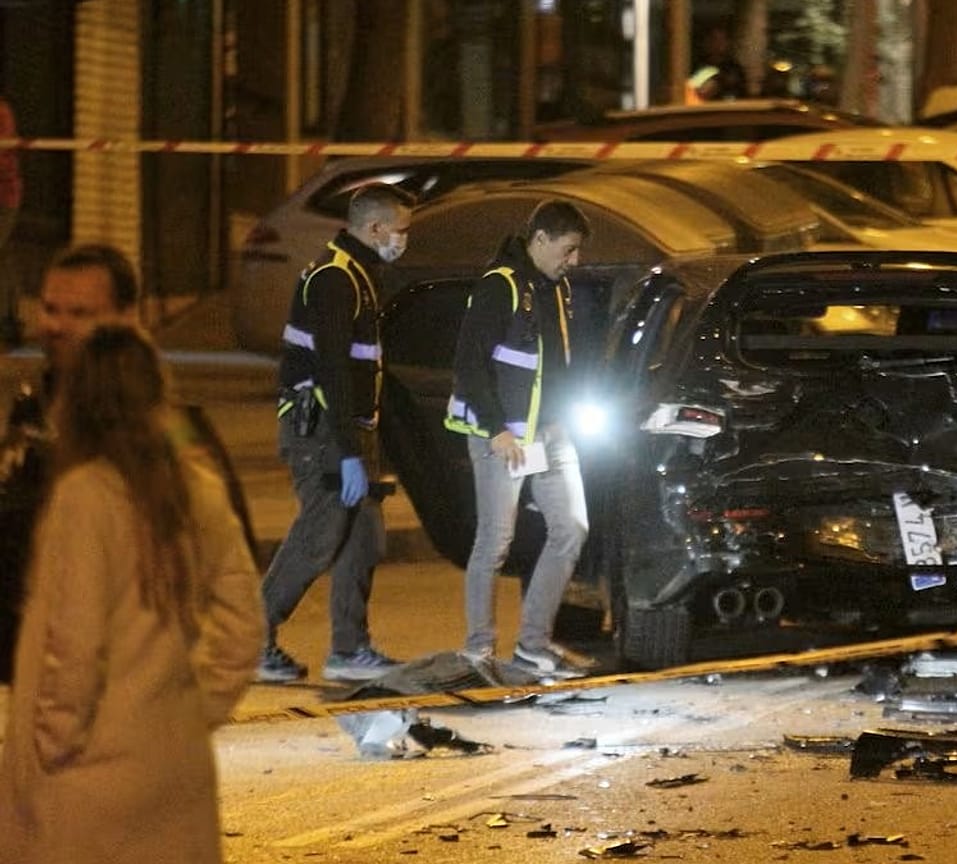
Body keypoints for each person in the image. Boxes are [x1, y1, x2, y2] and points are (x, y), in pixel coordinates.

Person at [0, 323, 264, 863]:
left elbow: (74, 643)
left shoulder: (84, 497)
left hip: (89, 777)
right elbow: (243, 627)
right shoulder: (199, 488)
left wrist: (52, 746)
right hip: (173, 766)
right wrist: (193, 713)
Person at [257, 183, 413, 684]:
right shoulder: (334, 279)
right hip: (321, 428)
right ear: (374, 229)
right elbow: (330, 370)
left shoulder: (360, 276)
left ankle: (349, 649)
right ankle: (249, 641)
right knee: (320, 534)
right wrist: (347, 450)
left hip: (347, 430)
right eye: (401, 230)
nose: (403, 240)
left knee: (362, 537)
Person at [444, 200, 596, 680]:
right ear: (542, 240)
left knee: (571, 528)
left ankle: (532, 645)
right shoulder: (500, 286)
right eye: (568, 250)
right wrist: (497, 430)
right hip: (506, 438)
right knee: (495, 542)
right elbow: (469, 364)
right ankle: (478, 650)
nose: (574, 261)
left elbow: (557, 362)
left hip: (550, 433)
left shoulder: (557, 287)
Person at [1, 245, 144, 684]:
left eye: (80, 313)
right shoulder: (32, 412)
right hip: (38, 681)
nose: (56, 326)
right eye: (50, 309)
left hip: (119, 689)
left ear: (126, 319)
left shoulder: (157, 427)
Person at [0, 91, 22, 345]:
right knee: (4, 257)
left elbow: (5, 159)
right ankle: (9, 320)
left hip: (5, 198)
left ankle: (8, 322)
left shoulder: (2, 112)